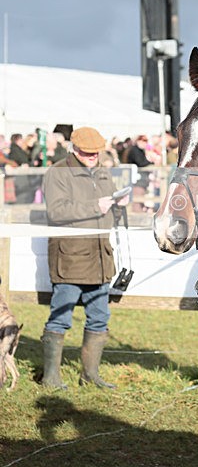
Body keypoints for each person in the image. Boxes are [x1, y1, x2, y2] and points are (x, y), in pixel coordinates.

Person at [41, 126, 129, 390]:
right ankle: (50, 378)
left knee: (100, 317)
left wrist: (118, 206)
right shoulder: (57, 172)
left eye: (95, 153)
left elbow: (108, 215)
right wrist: (95, 206)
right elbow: (56, 212)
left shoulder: (103, 171)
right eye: (87, 153)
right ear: (74, 149)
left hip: (100, 258)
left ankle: (90, 374)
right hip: (70, 259)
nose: (92, 156)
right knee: (60, 317)